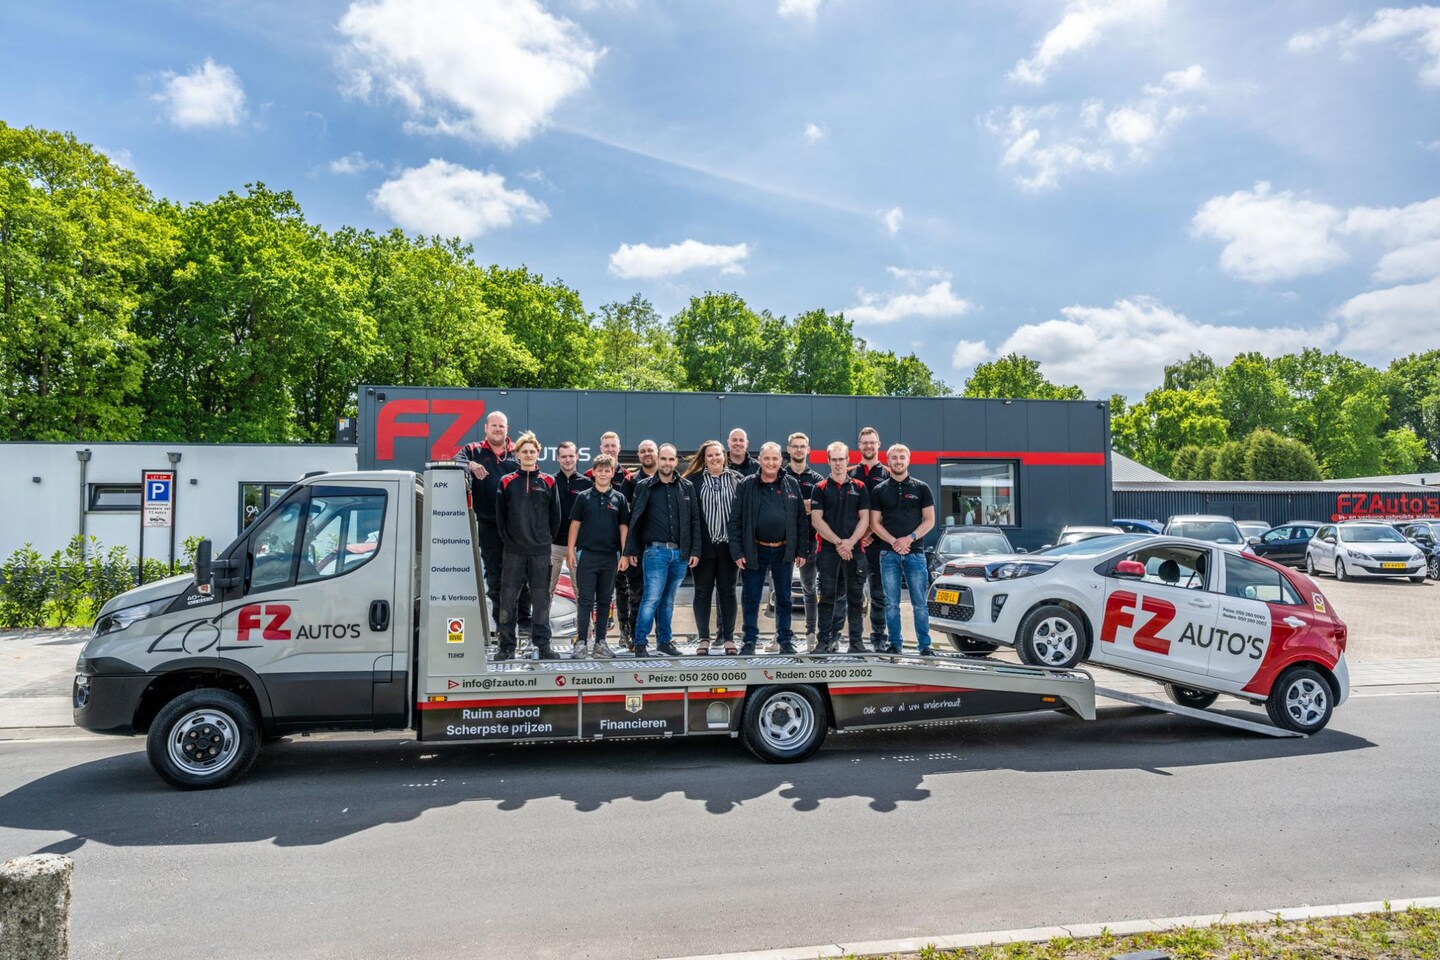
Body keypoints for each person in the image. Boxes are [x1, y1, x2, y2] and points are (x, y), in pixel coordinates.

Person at [729, 441, 812, 655]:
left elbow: (801, 520)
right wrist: (737, 552)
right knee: (751, 598)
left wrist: (801, 550)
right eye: (767, 458)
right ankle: (749, 641)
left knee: (784, 597)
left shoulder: (791, 484)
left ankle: (784, 640)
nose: (771, 462)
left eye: (775, 458)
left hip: (784, 551)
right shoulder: (746, 484)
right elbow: (735, 520)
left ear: (781, 460)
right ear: (759, 460)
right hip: (754, 550)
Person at [624, 443, 702, 657]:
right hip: (655, 552)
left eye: (671, 459)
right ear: (658, 460)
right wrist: (631, 550)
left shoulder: (686, 487)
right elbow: (635, 518)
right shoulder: (644, 486)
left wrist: (694, 550)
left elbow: (694, 520)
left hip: (680, 554)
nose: (667, 463)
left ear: (676, 461)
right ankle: (640, 642)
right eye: (664, 459)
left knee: (668, 601)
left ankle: (664, 642)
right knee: (651, 598)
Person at [494, 432, 562, 660]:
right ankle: (506, 647)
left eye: (532, 451)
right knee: (507, 601)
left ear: (538, 454)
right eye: (524, 451)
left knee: (541, 601)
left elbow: (556, 517)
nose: (529, 455)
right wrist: (510, 539)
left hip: (540, 552)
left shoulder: (549, 482)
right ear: (517, 454)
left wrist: (544, 540)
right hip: (513, 551)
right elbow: (500, 517)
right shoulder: (506, 482)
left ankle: (543, 646)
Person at [870, 443, 937, 656]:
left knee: (919, 603)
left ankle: (925, 646)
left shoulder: (921, 488)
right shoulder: (879, 490)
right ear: (888, 461)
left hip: (915, 553)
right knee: (891, 604)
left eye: (902, 457)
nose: (898, 461)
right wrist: (894, 542)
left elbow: (930, 520)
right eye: (894, 458)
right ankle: (895, 644)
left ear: (908, 460)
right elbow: (874, 523)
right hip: (888, 554)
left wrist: (909, 539)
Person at [455, 411, 520, 626]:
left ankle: (521, 624)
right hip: (488, 523)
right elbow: (456, 461)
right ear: (486, 428)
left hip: (514, 525)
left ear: (507, 429)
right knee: (494, 575)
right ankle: (502, 625)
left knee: (519, 574)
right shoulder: (473, 450)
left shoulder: (517, 451)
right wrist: (471, 465)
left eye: (501, 426)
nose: (497, 429)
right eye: (494, 425)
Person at [809, 441, 871, 654]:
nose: (838, 463)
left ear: (848, 460)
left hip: (855, 551)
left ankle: (856, 644)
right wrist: (839, 543)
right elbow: (816, 520)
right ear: (828, 461)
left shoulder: (859, 487)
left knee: (856, 599)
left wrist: (851, 542)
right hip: (828, 552)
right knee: (827, 598)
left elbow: (865, 519)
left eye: (841, 459)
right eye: (834, 459)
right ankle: (822, 643)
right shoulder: (820, 488)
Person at [567, 454, 629, 659]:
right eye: (599, 470)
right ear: (593, 472)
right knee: (585, 600)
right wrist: (570, 550)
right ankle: (581, 643)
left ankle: (600, 643)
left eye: (607, 470)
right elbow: (575, 525)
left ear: (612, 473)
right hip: (587, 555)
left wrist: (624, 554)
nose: (603, 474)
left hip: (610, 557)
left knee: (604, 601)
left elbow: (623, 528)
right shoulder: (583, 497)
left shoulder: (619, 498)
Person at [683, 440, 741, 655]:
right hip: (703, 548)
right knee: (702, 592)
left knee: (728, 592)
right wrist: (692, 548)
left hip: (729, 548)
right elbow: (690, 517)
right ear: (704, 459)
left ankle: (728, 638)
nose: (714, 458)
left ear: (724, 456)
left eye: (718, 454)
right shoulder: (693, 481)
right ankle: (703, 639)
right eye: (710, 455)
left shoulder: (737, 480)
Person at [586, 432, 635, 641]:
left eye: (613, 446)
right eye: (606, 446)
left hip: (621, 543)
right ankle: (593, 635)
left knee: (623, 589)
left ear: (619, 448)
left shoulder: (629, 477)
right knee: (594, 591)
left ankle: (625, 632)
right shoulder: (589, 475)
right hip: (596, 544)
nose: (610, 449)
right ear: (600, 448)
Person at [849, 426, 889, 652]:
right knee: (852, 596)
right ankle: (853, 640)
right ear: (859, 446)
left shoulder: (888, 474)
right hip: (854, 546)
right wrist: (859, 536)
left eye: (872, 442)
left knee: (878, 595)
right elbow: (846, 510)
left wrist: (870, 533)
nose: (868, 446)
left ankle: (879, 638)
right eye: (865, 442)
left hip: (878, 545)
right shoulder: (850, 474)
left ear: (878, 444)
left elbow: (890, 512)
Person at [784, 432, 824, 649]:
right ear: (788, 449)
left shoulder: (817, 479)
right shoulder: (780, 476)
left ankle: (810, 634)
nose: (799, 450)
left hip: (810, 541)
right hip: (782, 541)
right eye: (795, 446)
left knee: (809, 588)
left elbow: (818, 508)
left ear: (808, 450)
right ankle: (782, 635)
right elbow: (777, 505)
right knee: (782, 589)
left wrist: (792, 505)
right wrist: (804, 505)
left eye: (802, 446)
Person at [549, 441, 592, 597]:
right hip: (553, 545)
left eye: (571, 456)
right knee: (546, 590)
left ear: (577, 457)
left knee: (581, 592)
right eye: (564, 456)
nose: (568, 460)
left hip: (578, 546)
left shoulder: (587, 484)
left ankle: (584, 617)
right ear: (557, 458)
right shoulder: (550, 482)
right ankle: (544, 616)